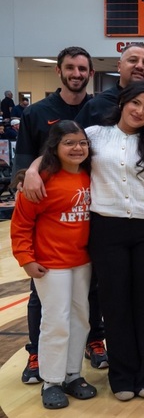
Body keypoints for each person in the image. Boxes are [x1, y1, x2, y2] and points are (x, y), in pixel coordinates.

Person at [25, 82, 144, 400]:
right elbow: (55, 149)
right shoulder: (93, 134)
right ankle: (121, 376)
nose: (140, 112)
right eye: (136, 103)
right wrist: (33, 171)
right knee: (114, 305)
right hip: (106, 232)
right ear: (122, 102)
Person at [14, 46, 108, 383]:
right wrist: (32, 173)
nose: (77, 73)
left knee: (87, 298)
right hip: (49, 230)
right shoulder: (37, 113)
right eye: (71, 67)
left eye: (83, 68)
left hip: (87, 227)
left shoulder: (99, 109)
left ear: (90, 73)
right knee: (46, 302)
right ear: (59, 71)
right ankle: (39, 356)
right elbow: (23, 166)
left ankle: (89, 347)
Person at [12, 121, 96, 409]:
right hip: (51, 264)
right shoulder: (42, 179)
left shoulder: (89, 174)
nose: (77, 148)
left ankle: (73, 374)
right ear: (55, 147)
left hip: (82, 262)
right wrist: (26, 258)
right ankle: (51, 381)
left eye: (82, 142)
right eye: (69, 143)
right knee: (56, 321)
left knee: (80, 318)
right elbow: (21, 223)